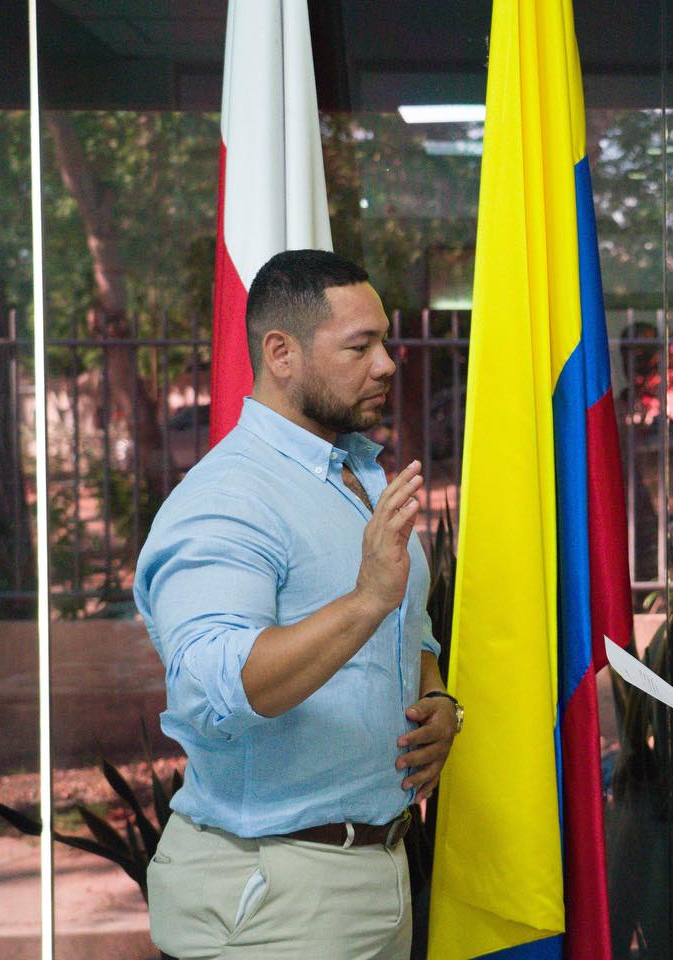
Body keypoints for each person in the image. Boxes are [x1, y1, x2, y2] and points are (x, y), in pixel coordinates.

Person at [135, 249, 462, 960]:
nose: (387, 365)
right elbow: (217, 687)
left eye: (384, 341)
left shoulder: (362, 475)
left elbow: (410, 632)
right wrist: (366, 599)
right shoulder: (226, 501)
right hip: (272, 896)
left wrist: (438, 702)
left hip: (378, 875)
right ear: (279, 353)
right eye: (360, 346)